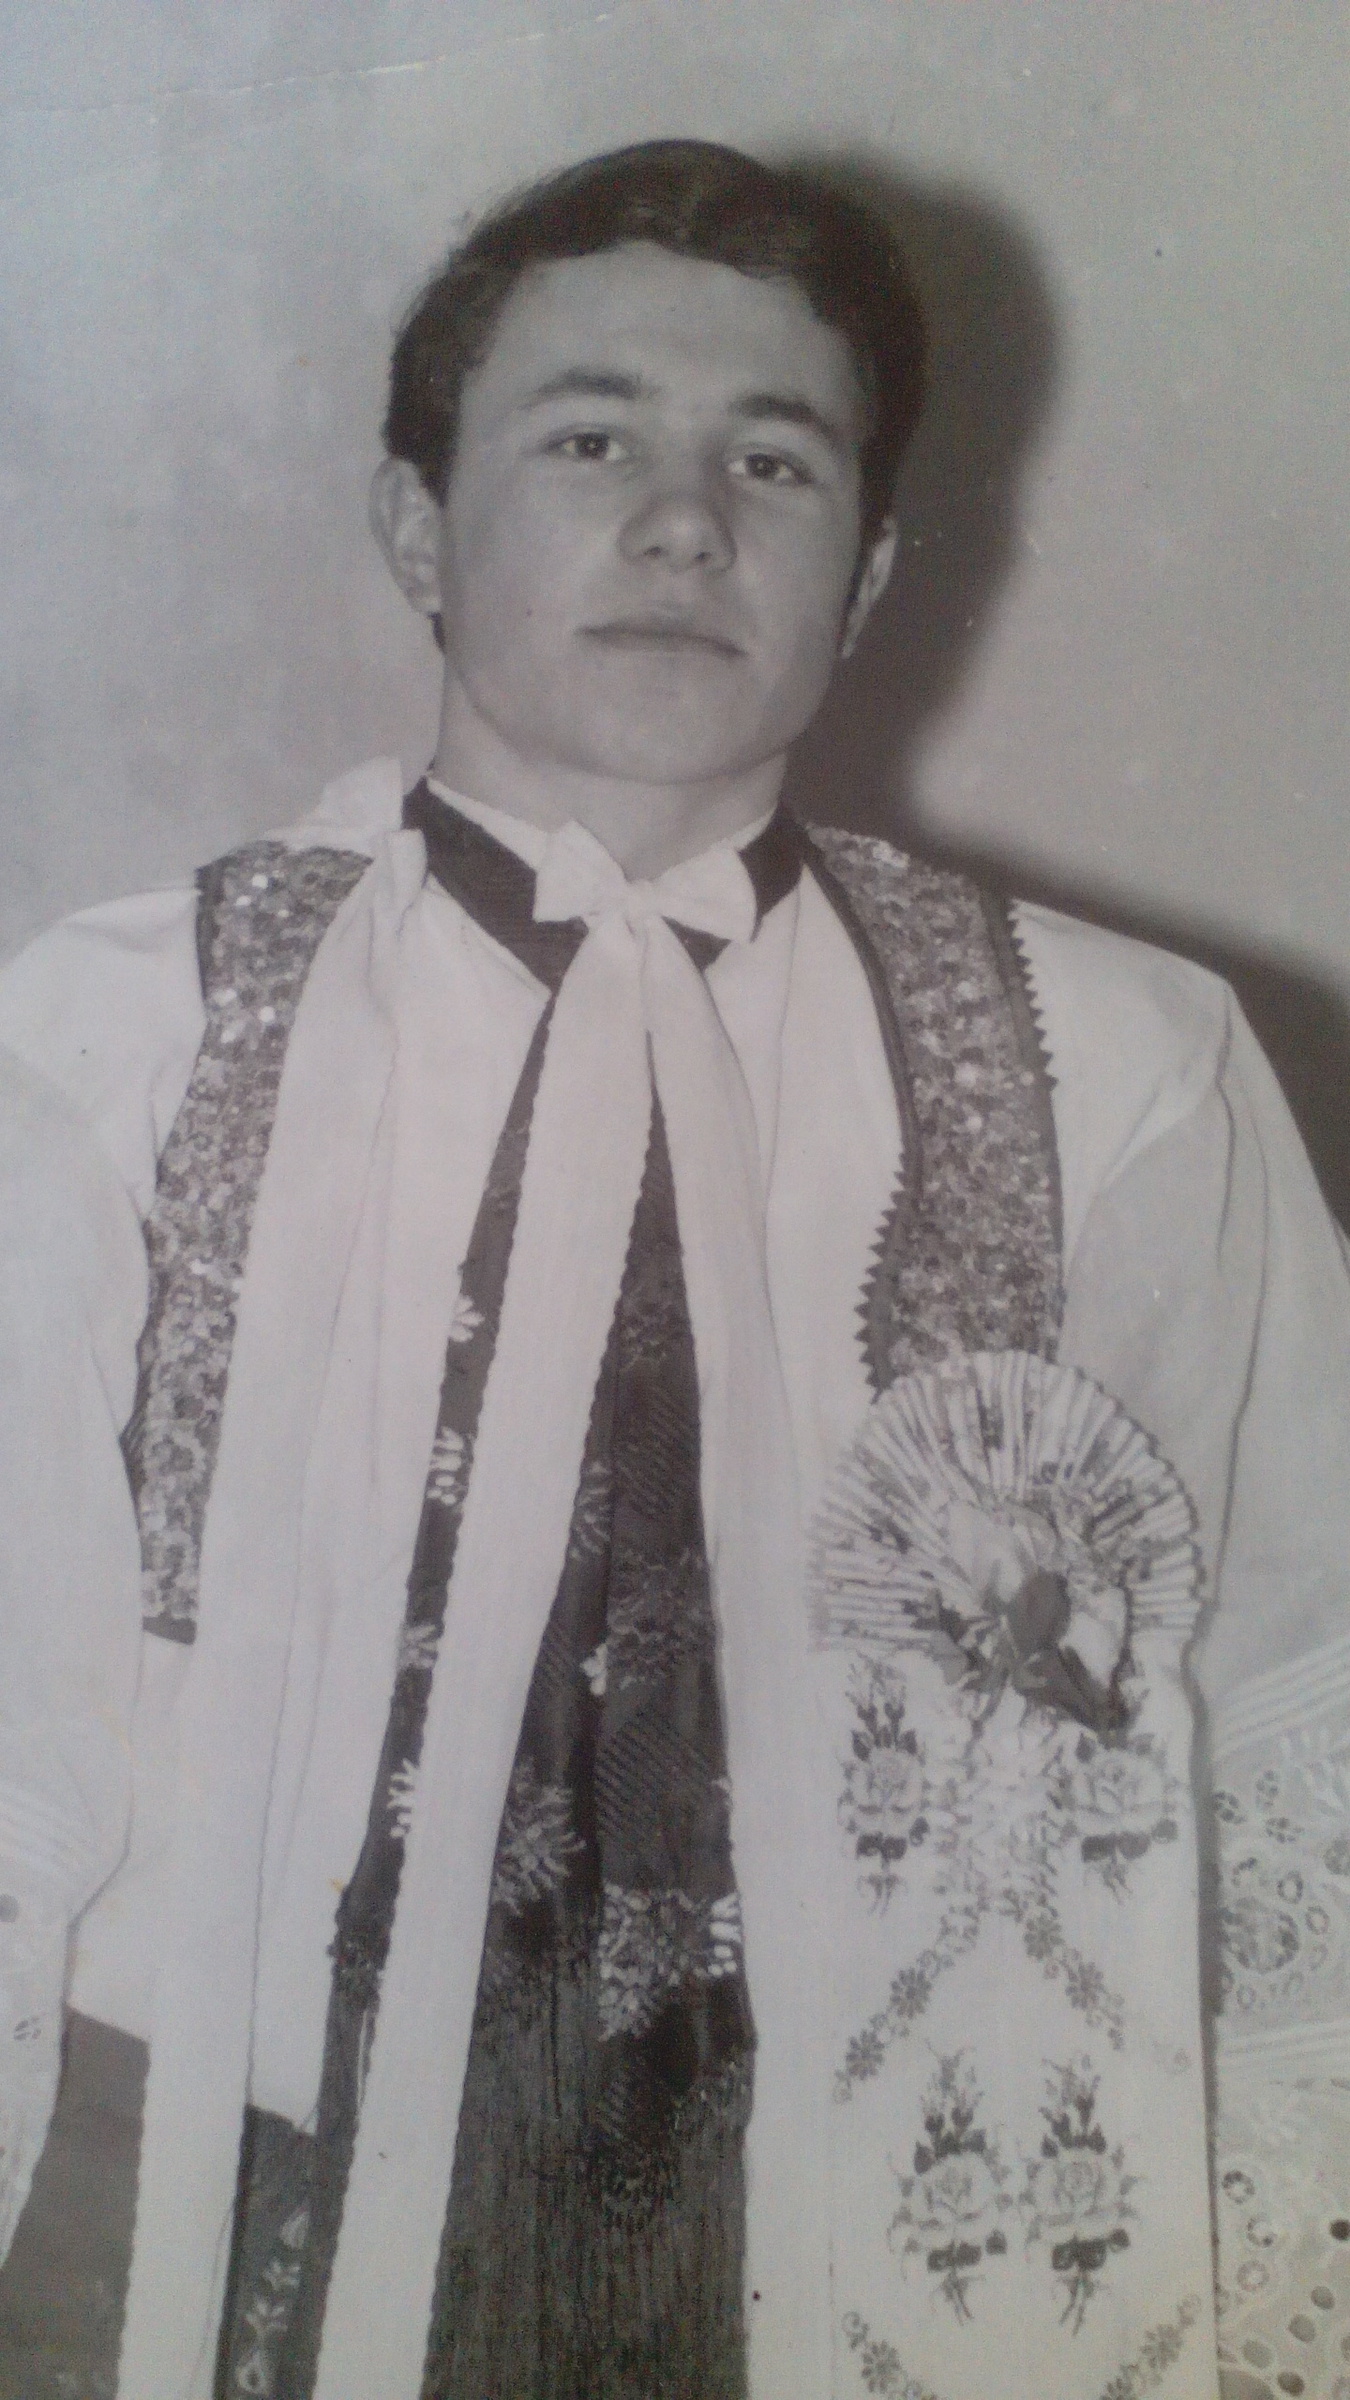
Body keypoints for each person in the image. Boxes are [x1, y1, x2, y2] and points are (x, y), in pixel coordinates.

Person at [0, 138, 1346, 2400]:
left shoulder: (1128, 1069)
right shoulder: (111, 1039)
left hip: (889, 2226)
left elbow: (1303, 1707)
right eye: (589, 438)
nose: (686, 523)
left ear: (871, 567)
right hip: (186, 2206)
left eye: (774, 461)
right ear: (417, 527)